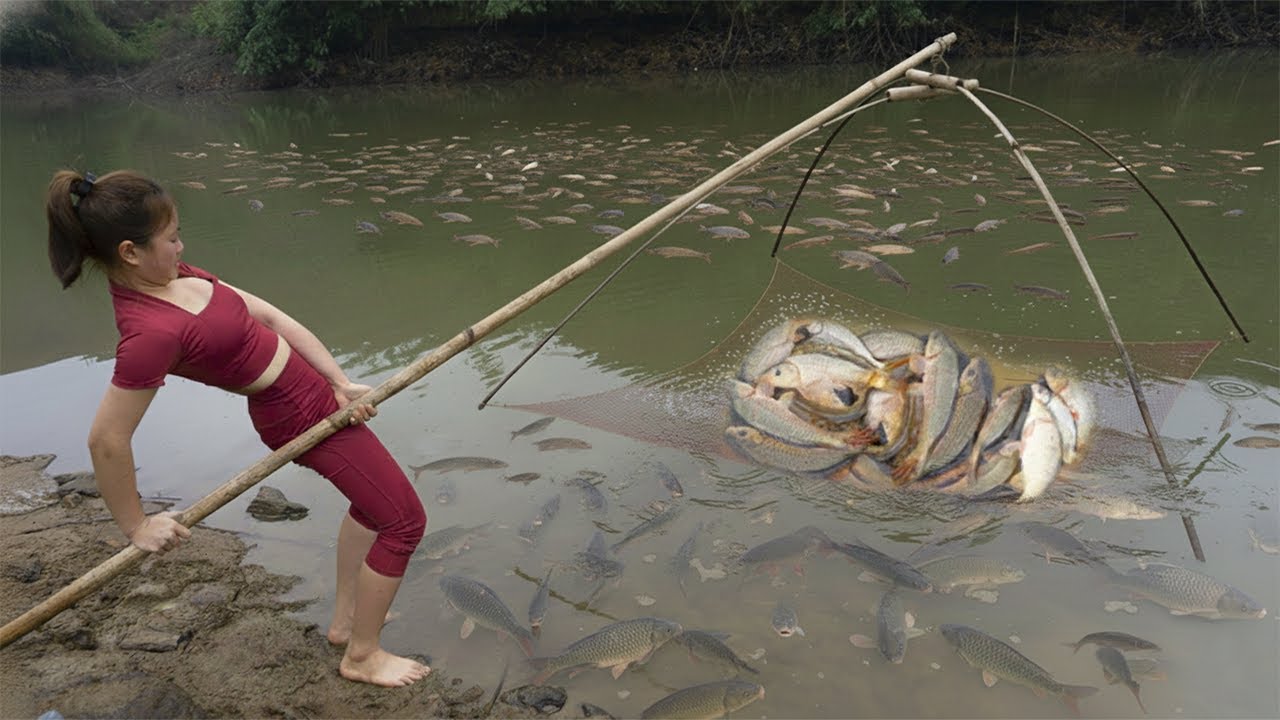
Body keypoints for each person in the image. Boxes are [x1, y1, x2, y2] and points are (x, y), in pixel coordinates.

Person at [45, 169, 429, 688]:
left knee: (372, 506)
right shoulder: (149, 332)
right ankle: (362, 656)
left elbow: (271, 319)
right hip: (294, 416)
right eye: (171, 237)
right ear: (131, 252)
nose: (182, 246)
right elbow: (106, 438)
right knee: (404, 521)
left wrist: (337, 381)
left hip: (316, 394)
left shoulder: (178, 276)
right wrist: (136, 526)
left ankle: (345, 624)